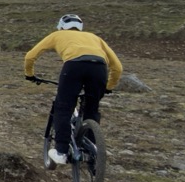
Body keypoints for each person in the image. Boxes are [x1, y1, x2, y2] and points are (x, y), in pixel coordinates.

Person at [24, 14, 122, 165]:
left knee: (63, 107)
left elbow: (30, 56)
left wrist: (29, 74)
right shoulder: (95, 38)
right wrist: (108, 87)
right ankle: (92, 151)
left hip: (74, 67)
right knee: (92, 109)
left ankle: (61, 151)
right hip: (99, 69)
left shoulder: (57, 35)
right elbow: (117, 67)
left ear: (61, 26)